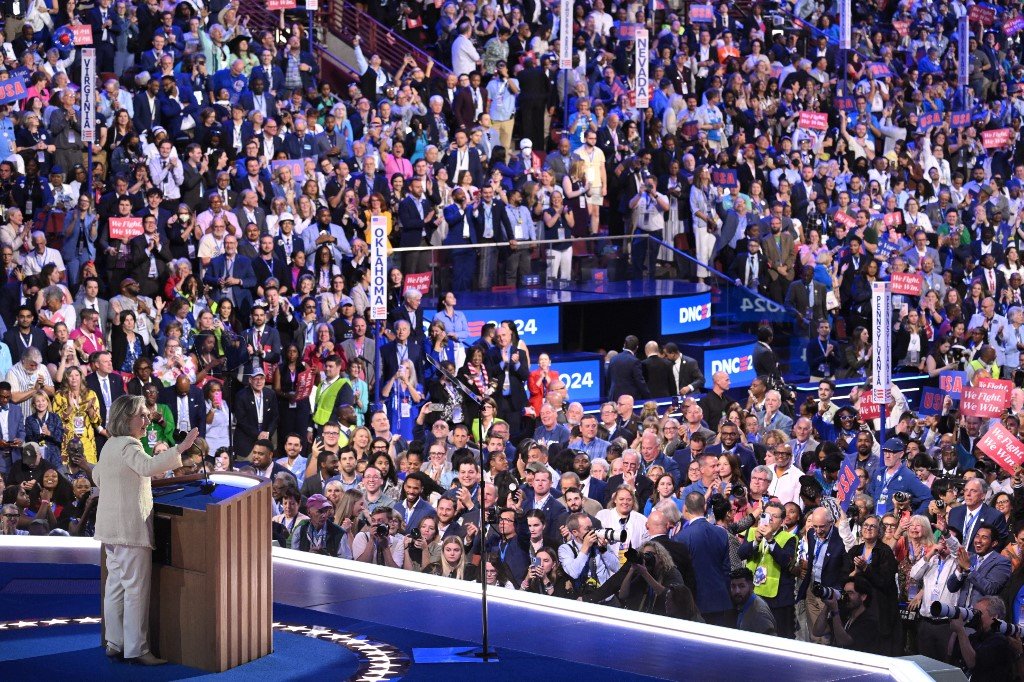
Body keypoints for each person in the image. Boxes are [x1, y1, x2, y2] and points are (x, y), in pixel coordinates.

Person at [92, 395, 200, 665]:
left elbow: (97, 478)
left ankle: (115, 643)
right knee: (136, 590)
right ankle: (138, 650)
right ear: (125, 419)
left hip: (111, 531)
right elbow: (148, 467)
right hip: (130, 529)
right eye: (141, 415)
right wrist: (181, 448)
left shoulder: (109, 446)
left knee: (116, 586)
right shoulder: (129, 445)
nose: (146, 419)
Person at [675, 491, 732, 625]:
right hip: (720, 600)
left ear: (685, 508)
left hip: (695, 602)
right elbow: (727, 569)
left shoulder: (681, 537)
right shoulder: (721, 533)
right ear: (705, 507)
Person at [811, 575, 881, 653]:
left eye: (850, 593)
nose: (846, 596)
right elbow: (817, 631)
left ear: (863, 596)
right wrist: (827, 606)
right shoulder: (845, 613)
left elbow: (843, 641)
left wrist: (835, 610)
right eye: (844, 593)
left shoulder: (870, 620)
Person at [290, 493, 351, 558]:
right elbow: (294, 559)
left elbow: (346, 561)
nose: (324, 515)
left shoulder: (339, 533)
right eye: (320, 511)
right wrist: (307, 557)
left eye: (326, 511)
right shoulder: (299, 532)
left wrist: (327, 558)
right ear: (308, 512)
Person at [729, 567, 777, 635]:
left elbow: (770, 642)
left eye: (741, 586)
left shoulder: (759, 612)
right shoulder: (742, 604)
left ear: (752, 586)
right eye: (733, 586)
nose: (737, 591)